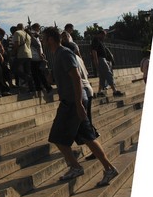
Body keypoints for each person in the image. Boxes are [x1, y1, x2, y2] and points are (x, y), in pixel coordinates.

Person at [41, 27, 119, 187]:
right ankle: (108, 168)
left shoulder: (64, 53)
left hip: (72, 102)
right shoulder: (57, 55)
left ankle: (76, 167)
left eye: (44, 38)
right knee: (87, 137)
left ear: (50, 39)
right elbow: (55, 80)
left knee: (57, 136)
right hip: (72, 101)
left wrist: (78, 105)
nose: (42, 41)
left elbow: (76, 78)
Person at [89, 29, 124, 97]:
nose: (104, 37)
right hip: (100, 59)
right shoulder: (96, 40)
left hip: (102, 59)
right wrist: (96, 61)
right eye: (103, 35)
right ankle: (114, 90)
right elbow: (94, 51)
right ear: (100, 34)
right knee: (108, 74)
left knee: (102, 76)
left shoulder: (99, 41)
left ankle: (99, 91)